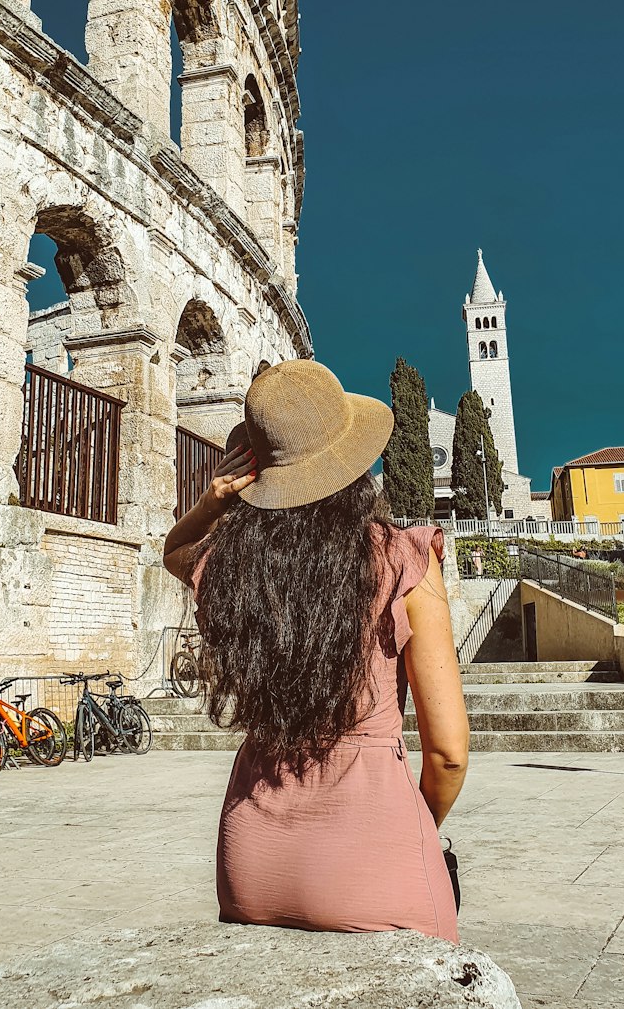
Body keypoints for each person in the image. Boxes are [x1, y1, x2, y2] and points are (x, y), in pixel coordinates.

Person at [164, 360, 469, 942]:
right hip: (376, 854)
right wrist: (415, 824)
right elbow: (450, 753)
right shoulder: (403, 558)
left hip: (252, 854)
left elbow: (174, 549)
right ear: (352, 461)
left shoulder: (230, 565)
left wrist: (213, 502)